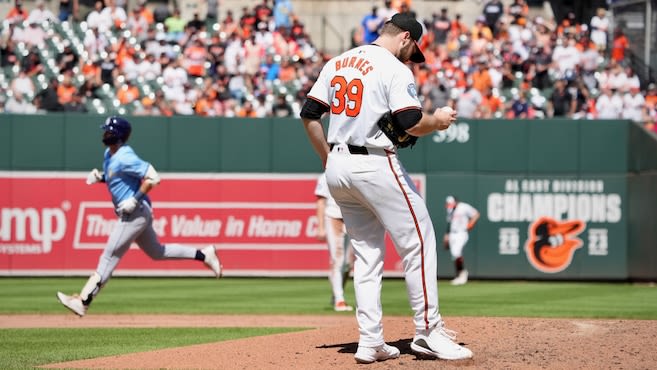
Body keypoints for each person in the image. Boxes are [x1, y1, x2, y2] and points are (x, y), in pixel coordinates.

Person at [300, 13, 473, 364]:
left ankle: (371, 341)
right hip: (374, 162)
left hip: (338, 165)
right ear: (406, 38)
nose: (411, 57)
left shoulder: (338, 61)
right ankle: (428, 332)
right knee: (420, 240)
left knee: (366, 253)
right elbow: (410, 122)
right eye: (412, 49)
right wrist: (437, 122)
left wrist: (327, 159)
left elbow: (309, 114)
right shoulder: (394, 68)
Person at [56, 116, 222, 317]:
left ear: (118, 135)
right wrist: (101, 178)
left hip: (134, 213)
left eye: (108, 131)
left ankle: (83, 301)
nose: (105, 134)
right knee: (157, 252)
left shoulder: (126, 156)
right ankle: (204, 255)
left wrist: (135, 199)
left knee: (109, 255)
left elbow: (153, 177)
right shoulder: (109, 154)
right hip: (138, 213)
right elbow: (117, 176)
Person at [314, 172, 355, 312]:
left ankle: (337, 294)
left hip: (353, 217)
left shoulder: (354, 172)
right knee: (337, 259)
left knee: (349, 263)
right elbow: (320, 201)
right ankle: (339, 300)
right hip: (333, 216)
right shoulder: (326, 175)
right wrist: (320, 227)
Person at [443, 196, 479, 286]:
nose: (449, 206)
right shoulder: (450, 210)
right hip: (452, 234)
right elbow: (449, 223)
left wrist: (471, 223)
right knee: (454, 256)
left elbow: (476, 214)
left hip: (461, 233)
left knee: (456, 253)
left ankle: (463, 274)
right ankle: (459, 275)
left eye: (451, 204)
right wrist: (446, 236)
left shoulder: (463, 207)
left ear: (455, 202)